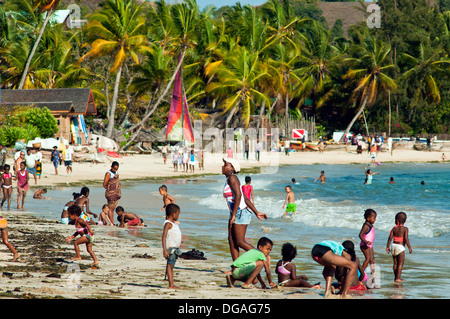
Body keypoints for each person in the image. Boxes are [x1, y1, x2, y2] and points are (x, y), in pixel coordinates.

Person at [222, 157, 267, 261]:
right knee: (231, 240)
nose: (222, 167)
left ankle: (262, 257)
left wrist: (233, 215)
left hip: (240, 212)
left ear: (232, 168)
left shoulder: (233, 178)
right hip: (236, 212)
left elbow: (238, 196)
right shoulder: (229, 179)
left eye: (225, 165)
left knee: (240, 241)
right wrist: (256, 212)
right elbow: (244, 197)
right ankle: (235, 267)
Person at [386, 212, 413, 282]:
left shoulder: (394, 229)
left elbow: (390, 237)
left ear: (397, 220)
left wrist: (387, 247)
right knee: (400, 264)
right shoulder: (405, 229)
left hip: (393, 246)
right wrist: (409, 247)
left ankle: (396, 277)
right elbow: (406, 239)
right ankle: (398, 278)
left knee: (395, 263)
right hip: (400, 247)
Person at [162, 203, 182, 289]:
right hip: (171, 248)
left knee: (171, 265)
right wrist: (164, 250)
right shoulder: (168, 224)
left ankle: (171, 283)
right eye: (178, 214)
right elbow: (164, 236)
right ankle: (171, 284)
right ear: (173, 214)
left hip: (175, 248)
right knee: (170, 266)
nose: (178, 216)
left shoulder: (173, 223)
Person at [359, 209, 377, 274]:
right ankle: (360, 274)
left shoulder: (370, 225)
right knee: (368, 259)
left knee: (372, 259)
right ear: (368, 218)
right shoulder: (366, 226)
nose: (375, 220)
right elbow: (360, 235)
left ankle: (373, 273)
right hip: (364, 245)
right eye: (374, 218)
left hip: (370, 245)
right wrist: (366, 242)